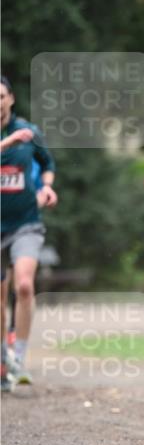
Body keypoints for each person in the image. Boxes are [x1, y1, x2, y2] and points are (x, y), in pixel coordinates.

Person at [1, 75, 58, 391]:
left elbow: (47, 162)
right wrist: (7, 144)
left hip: (25, 222)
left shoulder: (29, 131)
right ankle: (2, 359)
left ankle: (19, 357)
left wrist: (47, 187)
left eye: (0, 96)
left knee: (23, 284)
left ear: (10, 99)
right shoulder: (13, 138)